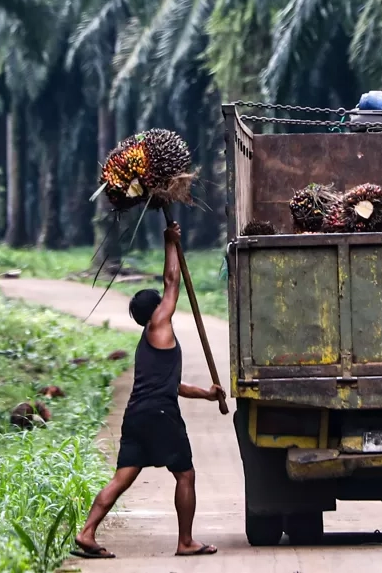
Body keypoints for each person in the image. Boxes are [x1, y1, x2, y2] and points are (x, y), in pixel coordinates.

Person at [73, 222, 224, 560]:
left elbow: (176, 386)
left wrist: (209, 393)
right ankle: (185, 541)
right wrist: (170, 241)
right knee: (185, 474)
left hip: (138, 415)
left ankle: (86, 532)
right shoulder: (159, 326)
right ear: (156, 311)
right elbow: (172, 282)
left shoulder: (149, 342)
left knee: (121, 478)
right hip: (159, 415)